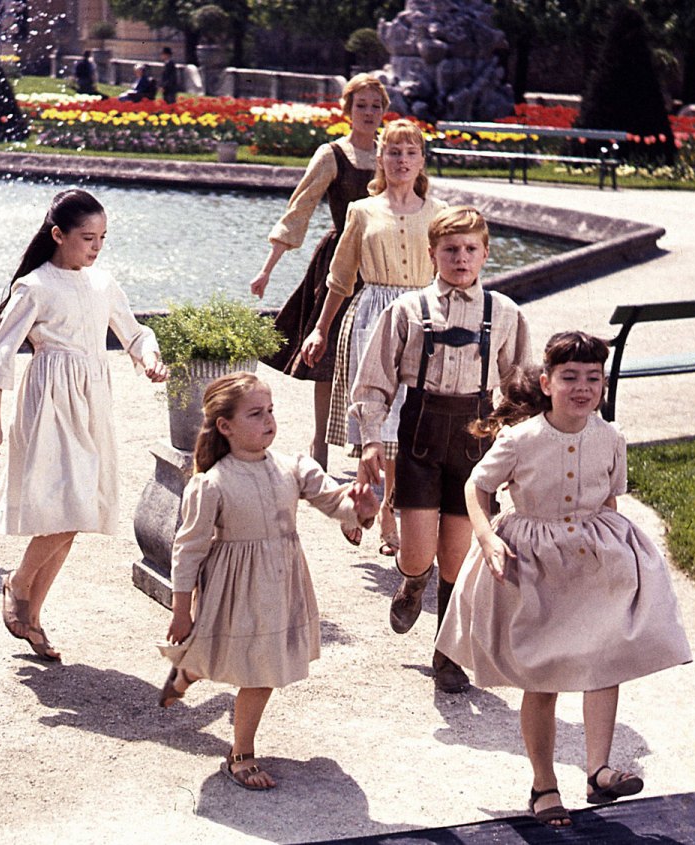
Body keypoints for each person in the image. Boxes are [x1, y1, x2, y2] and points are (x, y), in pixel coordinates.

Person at [435, 331, 692, 827]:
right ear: (547, 383)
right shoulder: (520, 438)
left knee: (606, 657)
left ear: (603, 384)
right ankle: (543, 783)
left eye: (593, 379)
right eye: (569, 378)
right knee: (544, 675)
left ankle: (598, 770)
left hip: (594, 557)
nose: (582, 388)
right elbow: (477, 486)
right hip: (534, 561)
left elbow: (610, 502)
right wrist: (487, 537)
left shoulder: (611, 438)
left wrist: (621, 561)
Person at [158, 373, 378, 790]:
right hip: (235, 588)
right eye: (256, 414)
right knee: (242, 660)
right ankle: (240, 753)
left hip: (281, 585)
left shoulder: (293, 467)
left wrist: (360, 507)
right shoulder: (211, 483)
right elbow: (187, 549)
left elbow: (335, 502)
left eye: (271, 411)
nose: (269, 421)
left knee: (256, 664)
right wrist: (181, 610)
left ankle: (189, 676)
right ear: (225, 426)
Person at [0, 189, 169, 662]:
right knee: (64, 510)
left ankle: (31, 612)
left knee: (79, 512)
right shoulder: (36, 286)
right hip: (49, 403)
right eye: (88, 237)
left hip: (93, 403)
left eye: (103, 238)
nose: (96, 247)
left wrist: (148, 357)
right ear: (58, 235)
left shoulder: (102, 283)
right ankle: (20, 585)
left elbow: (135, 331)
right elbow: (1, 353)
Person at [352, 205, 530, 694]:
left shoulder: (506, 315)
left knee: (457, 559)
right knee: (417, 552)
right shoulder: (407, 311)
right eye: (450, 249)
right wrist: (370, 440)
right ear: (432, 254)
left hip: (475, 441)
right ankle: (412, 580)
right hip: (421, 435)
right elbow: (372, 383)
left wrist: (520, 451)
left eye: (471, 249)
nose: (461, 258)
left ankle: (446, 652)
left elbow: (519, 389)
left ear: (486, 254)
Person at [300, 118, 447, 559]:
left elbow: (451, 275)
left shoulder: (438, 213)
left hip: (421, 320)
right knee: (373, 418)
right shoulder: (362, 212)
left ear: (422, 159)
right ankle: (366, 501)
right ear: (380, 159)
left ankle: (384, 507)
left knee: (405, 420)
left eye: (410, 152)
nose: (402, 161)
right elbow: (340, 279)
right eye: (393, 152)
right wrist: (320, 329)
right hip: (370, 318)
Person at [250, 73, 387, 472]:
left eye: (375, 106)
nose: (368, 113)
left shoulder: (388, 155)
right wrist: (266, 270)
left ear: (384, 112)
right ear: (347, 110)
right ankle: (321, 442)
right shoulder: (332, 155)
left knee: (374, 356)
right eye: (360, 105)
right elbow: (299, 210)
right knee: (325, 356)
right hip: (339, 263)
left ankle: (369, 443)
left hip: (380, 266)